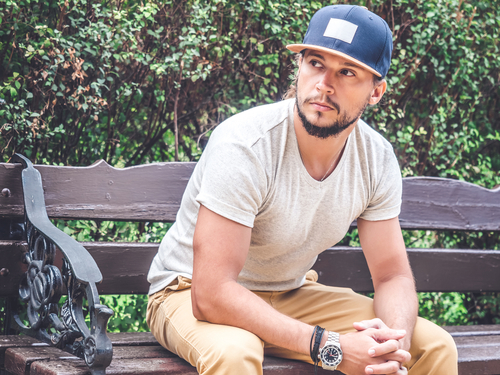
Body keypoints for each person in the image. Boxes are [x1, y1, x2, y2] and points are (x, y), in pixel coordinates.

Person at [146, 4, 458, 375]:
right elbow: (211, 293)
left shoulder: (375, 158)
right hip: (188, 291)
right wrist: (331, 346)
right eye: (315, 63)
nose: (324, 84)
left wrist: (396, 344)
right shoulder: (246, 144)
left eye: (346, 72)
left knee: (433, 347)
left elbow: (392, 275)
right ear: (300, 66)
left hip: (290, 294)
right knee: (235, 353)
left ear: (376, 92)